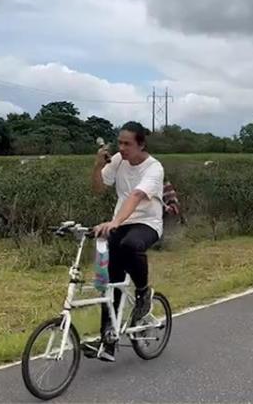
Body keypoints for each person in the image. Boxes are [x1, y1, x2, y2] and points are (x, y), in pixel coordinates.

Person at [87, 122, 165, 361]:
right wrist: (98, 165)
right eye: (119, 143)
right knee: (110, 283)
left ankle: (143, 293)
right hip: (120, 222)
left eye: (127, 144)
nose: (122, 148)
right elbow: (98, 189)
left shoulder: (154, 168)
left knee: (130, 245)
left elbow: (135, 196)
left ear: (141, 144)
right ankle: (107, 341)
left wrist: (114, 222)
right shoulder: (119, 161)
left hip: (147, 223)